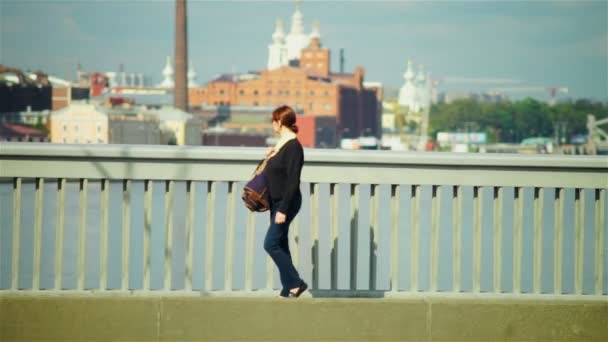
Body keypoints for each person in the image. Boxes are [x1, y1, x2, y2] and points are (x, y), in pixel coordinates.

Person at [263, 105, 308, 298]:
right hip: (276, 202)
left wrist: (283, 209)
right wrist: (270, 157)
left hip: (286, 203)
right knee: (281, 244)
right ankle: (288, 287)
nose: (272, 124)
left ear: (280, 122)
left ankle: (296, 282)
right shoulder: (281, 145)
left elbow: (293, 180)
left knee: (270, 243)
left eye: (274, 121)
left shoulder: (293, 147)